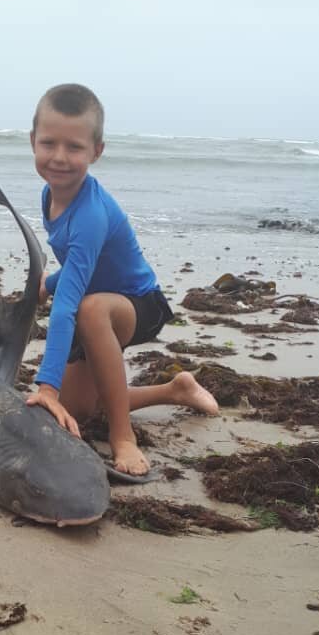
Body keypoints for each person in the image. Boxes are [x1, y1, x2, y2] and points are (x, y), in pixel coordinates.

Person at [26, 83, 218, 477]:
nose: (59, 157)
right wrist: (54, 280)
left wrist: (46, 387)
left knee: (89, 309)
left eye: (75, 147)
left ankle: (123, 437)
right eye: (48, 143)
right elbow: (90, 264)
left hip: (139, 303)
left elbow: (67, 306)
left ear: (97, 151)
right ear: (32, 141)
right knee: (82, 406)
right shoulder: (50, 195)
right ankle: (175, 390)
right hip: (97, 297)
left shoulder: (90, 214)